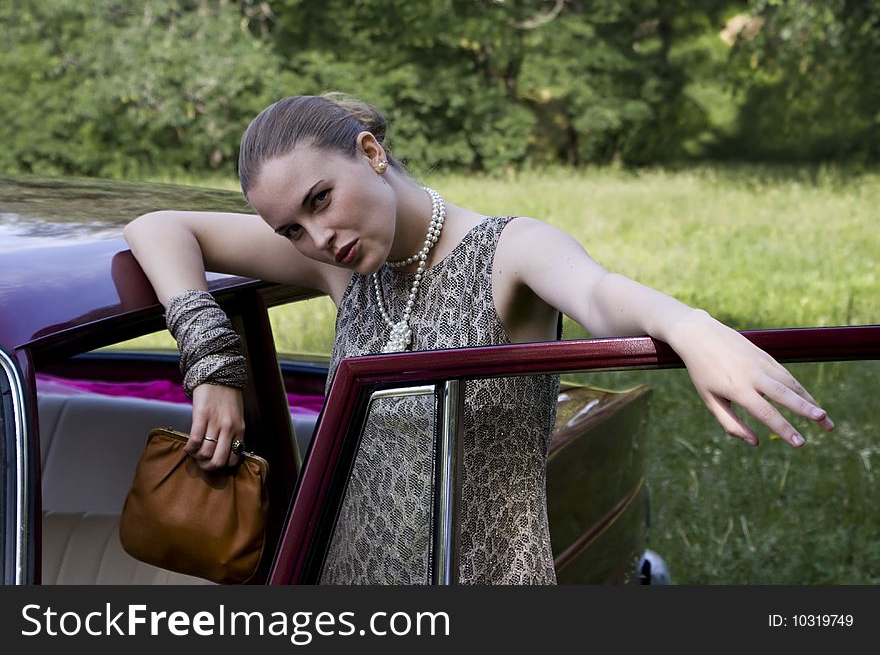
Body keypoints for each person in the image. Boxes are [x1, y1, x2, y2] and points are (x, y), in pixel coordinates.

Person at [124, 92, 834, 584]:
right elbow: (158, 228)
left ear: (370, 152)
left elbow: (598, 294)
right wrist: (213, 362)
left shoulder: (508, 250)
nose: (318, 239)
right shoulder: (342, 268)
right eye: (291, 230)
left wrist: (690, 325)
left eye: (320, 200)